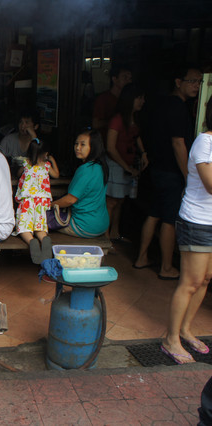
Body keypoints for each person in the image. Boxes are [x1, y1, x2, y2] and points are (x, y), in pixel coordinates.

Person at [133, 66, 203, 279]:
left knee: (154, 214)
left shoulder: (162, 103)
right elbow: (178, 144)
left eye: (199, 82)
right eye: (192, 81)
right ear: (178, 81)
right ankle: (166, 267)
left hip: (157, 168)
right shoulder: (177, 107)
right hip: (171, 172)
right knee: (169, 219)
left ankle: (141, 257)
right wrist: (188, 176)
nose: (196, 86)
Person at [160, 96, 212, 365]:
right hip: (197, 221)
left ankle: (185, 330)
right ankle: (171, 339)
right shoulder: (205, 142)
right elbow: (210, 184)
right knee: (190, 282)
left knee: (205, 279)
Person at [105, 83, 149, 241]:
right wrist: (126, 167)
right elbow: (110, 148)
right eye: (140, 98)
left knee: (121, 201)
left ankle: (115, 233)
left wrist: (143, 153)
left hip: (127, 164)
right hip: (116, 164)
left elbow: (136, 137)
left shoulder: (134, 118)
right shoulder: (117, 119)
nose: (142, 101)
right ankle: (106, 236)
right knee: (111, 202)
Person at [52, 129, 109, 238]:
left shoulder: (86, 169)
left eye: (83, 145)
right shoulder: (101, 166)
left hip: (84, 226)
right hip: (102, 224)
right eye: (76, 144)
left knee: (39, 219)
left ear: (93, 147)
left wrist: (49, 205)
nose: (78, 148)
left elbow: (70, 199)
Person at [15, 138, 60, 263]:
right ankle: (43, 238)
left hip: (27, 201)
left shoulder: (26, 164)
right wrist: (52, 160)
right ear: (45, 153)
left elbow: (19, 174)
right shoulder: (46, 165)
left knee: (24, 226)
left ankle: (31, 241)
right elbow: (56, 175)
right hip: (42, 202)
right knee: (39, 226)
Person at [92, 64, 133, 136]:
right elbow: (96, 124)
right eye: (124, 77)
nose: (128, 81)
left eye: (130, 78)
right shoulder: (103, 99)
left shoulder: (129, 99)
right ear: (114, 79)